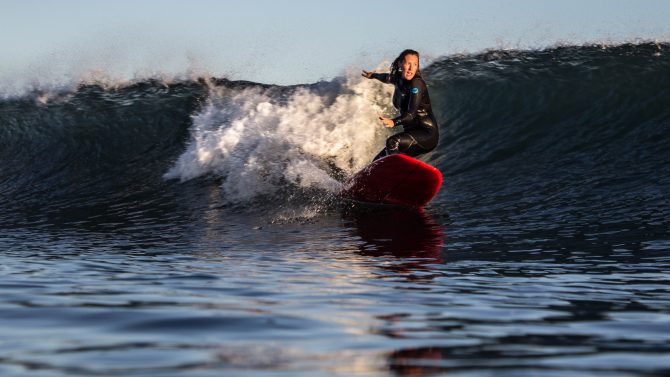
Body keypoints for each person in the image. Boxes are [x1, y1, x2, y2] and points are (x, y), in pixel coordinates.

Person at [362, 49, 439, 161]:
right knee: (377, 161)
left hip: (426, 134)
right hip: (410, 135)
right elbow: (387, 78)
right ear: (400, 64)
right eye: (408, 63)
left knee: (392, 142)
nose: (411, 68)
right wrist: (373, 75)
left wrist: (394, 122)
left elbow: (411, 114)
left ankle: (396, 173)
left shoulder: (416, 83)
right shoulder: (398, 79)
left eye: (415, 64)